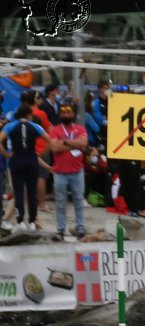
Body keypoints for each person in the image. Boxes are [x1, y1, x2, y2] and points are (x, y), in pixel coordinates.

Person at [46, 99, 89, 241]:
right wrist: (74, 144)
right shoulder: (55, 129)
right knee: (60, 203)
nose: (66, 115)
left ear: (74, 114)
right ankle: (60, 231)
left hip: (77, 171)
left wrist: (64, 142)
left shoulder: (80, 128)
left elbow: (84, 143)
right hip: (60, 172)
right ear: (60, 114)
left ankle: (80, 228)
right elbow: (54, 148)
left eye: (68, 112)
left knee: (78, 201)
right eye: (63, 112)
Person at [2, 99, 45, 230]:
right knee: (32, 192)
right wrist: (41, 154)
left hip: (17, 160)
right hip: (31, 159)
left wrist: (6, 154)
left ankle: (20, 221)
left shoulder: (10, 126)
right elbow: (50, 140)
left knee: (19, 192)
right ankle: (32, 222)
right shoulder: (35, 126)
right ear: (29, 115)